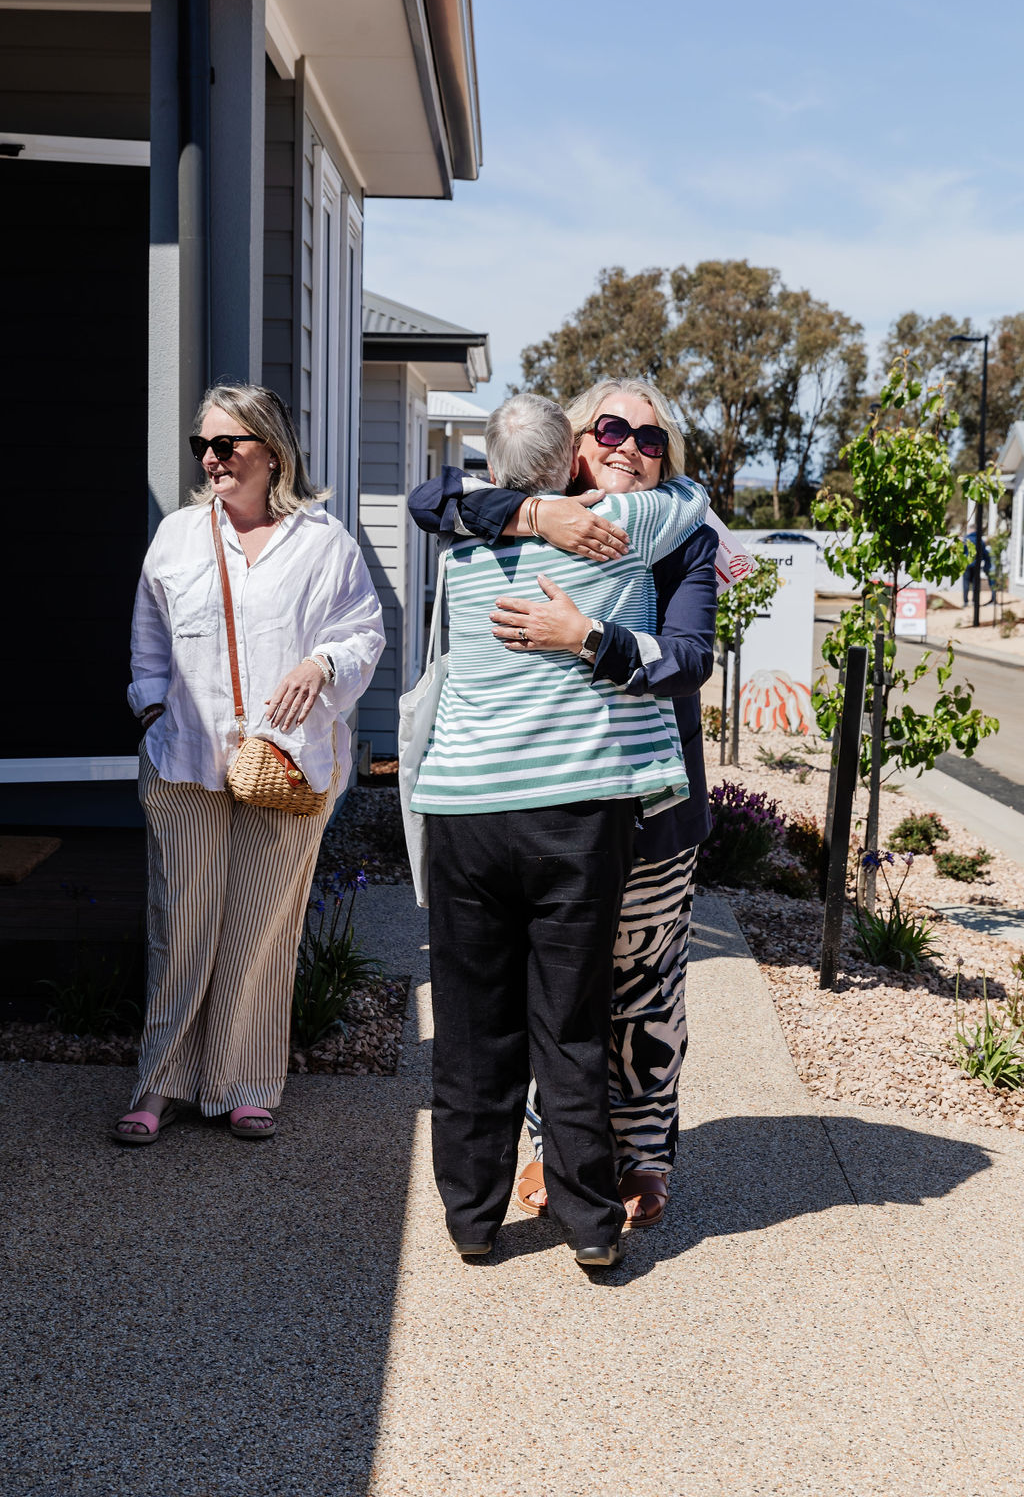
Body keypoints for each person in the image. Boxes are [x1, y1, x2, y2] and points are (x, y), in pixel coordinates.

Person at [409, 377, 718, 1230]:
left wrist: (588, 638)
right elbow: (432, 497)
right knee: (562, 994)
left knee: (642, 991)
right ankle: (555, 1154)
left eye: (649, 440)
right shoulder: (518, 514)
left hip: (649, 812)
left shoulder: (677, 535)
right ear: (573, 443)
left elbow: (690, 657)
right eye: (610, 428)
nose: (627, 447)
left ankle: (645, 1158)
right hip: (554, 806)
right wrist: (536, 516)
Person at [113, 384, 384, 1145]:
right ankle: (158, 1083)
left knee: (263, 928)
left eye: (227, 444)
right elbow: (149, 638)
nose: (211, 458)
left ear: (271, 450)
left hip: (286, 766)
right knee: (181, 926)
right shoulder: (175, 537)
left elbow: (363, 632)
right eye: (203, 444)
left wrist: (322, 664)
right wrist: (152, 710)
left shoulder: (325, 543)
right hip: (183, 760)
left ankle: (245, 1084)